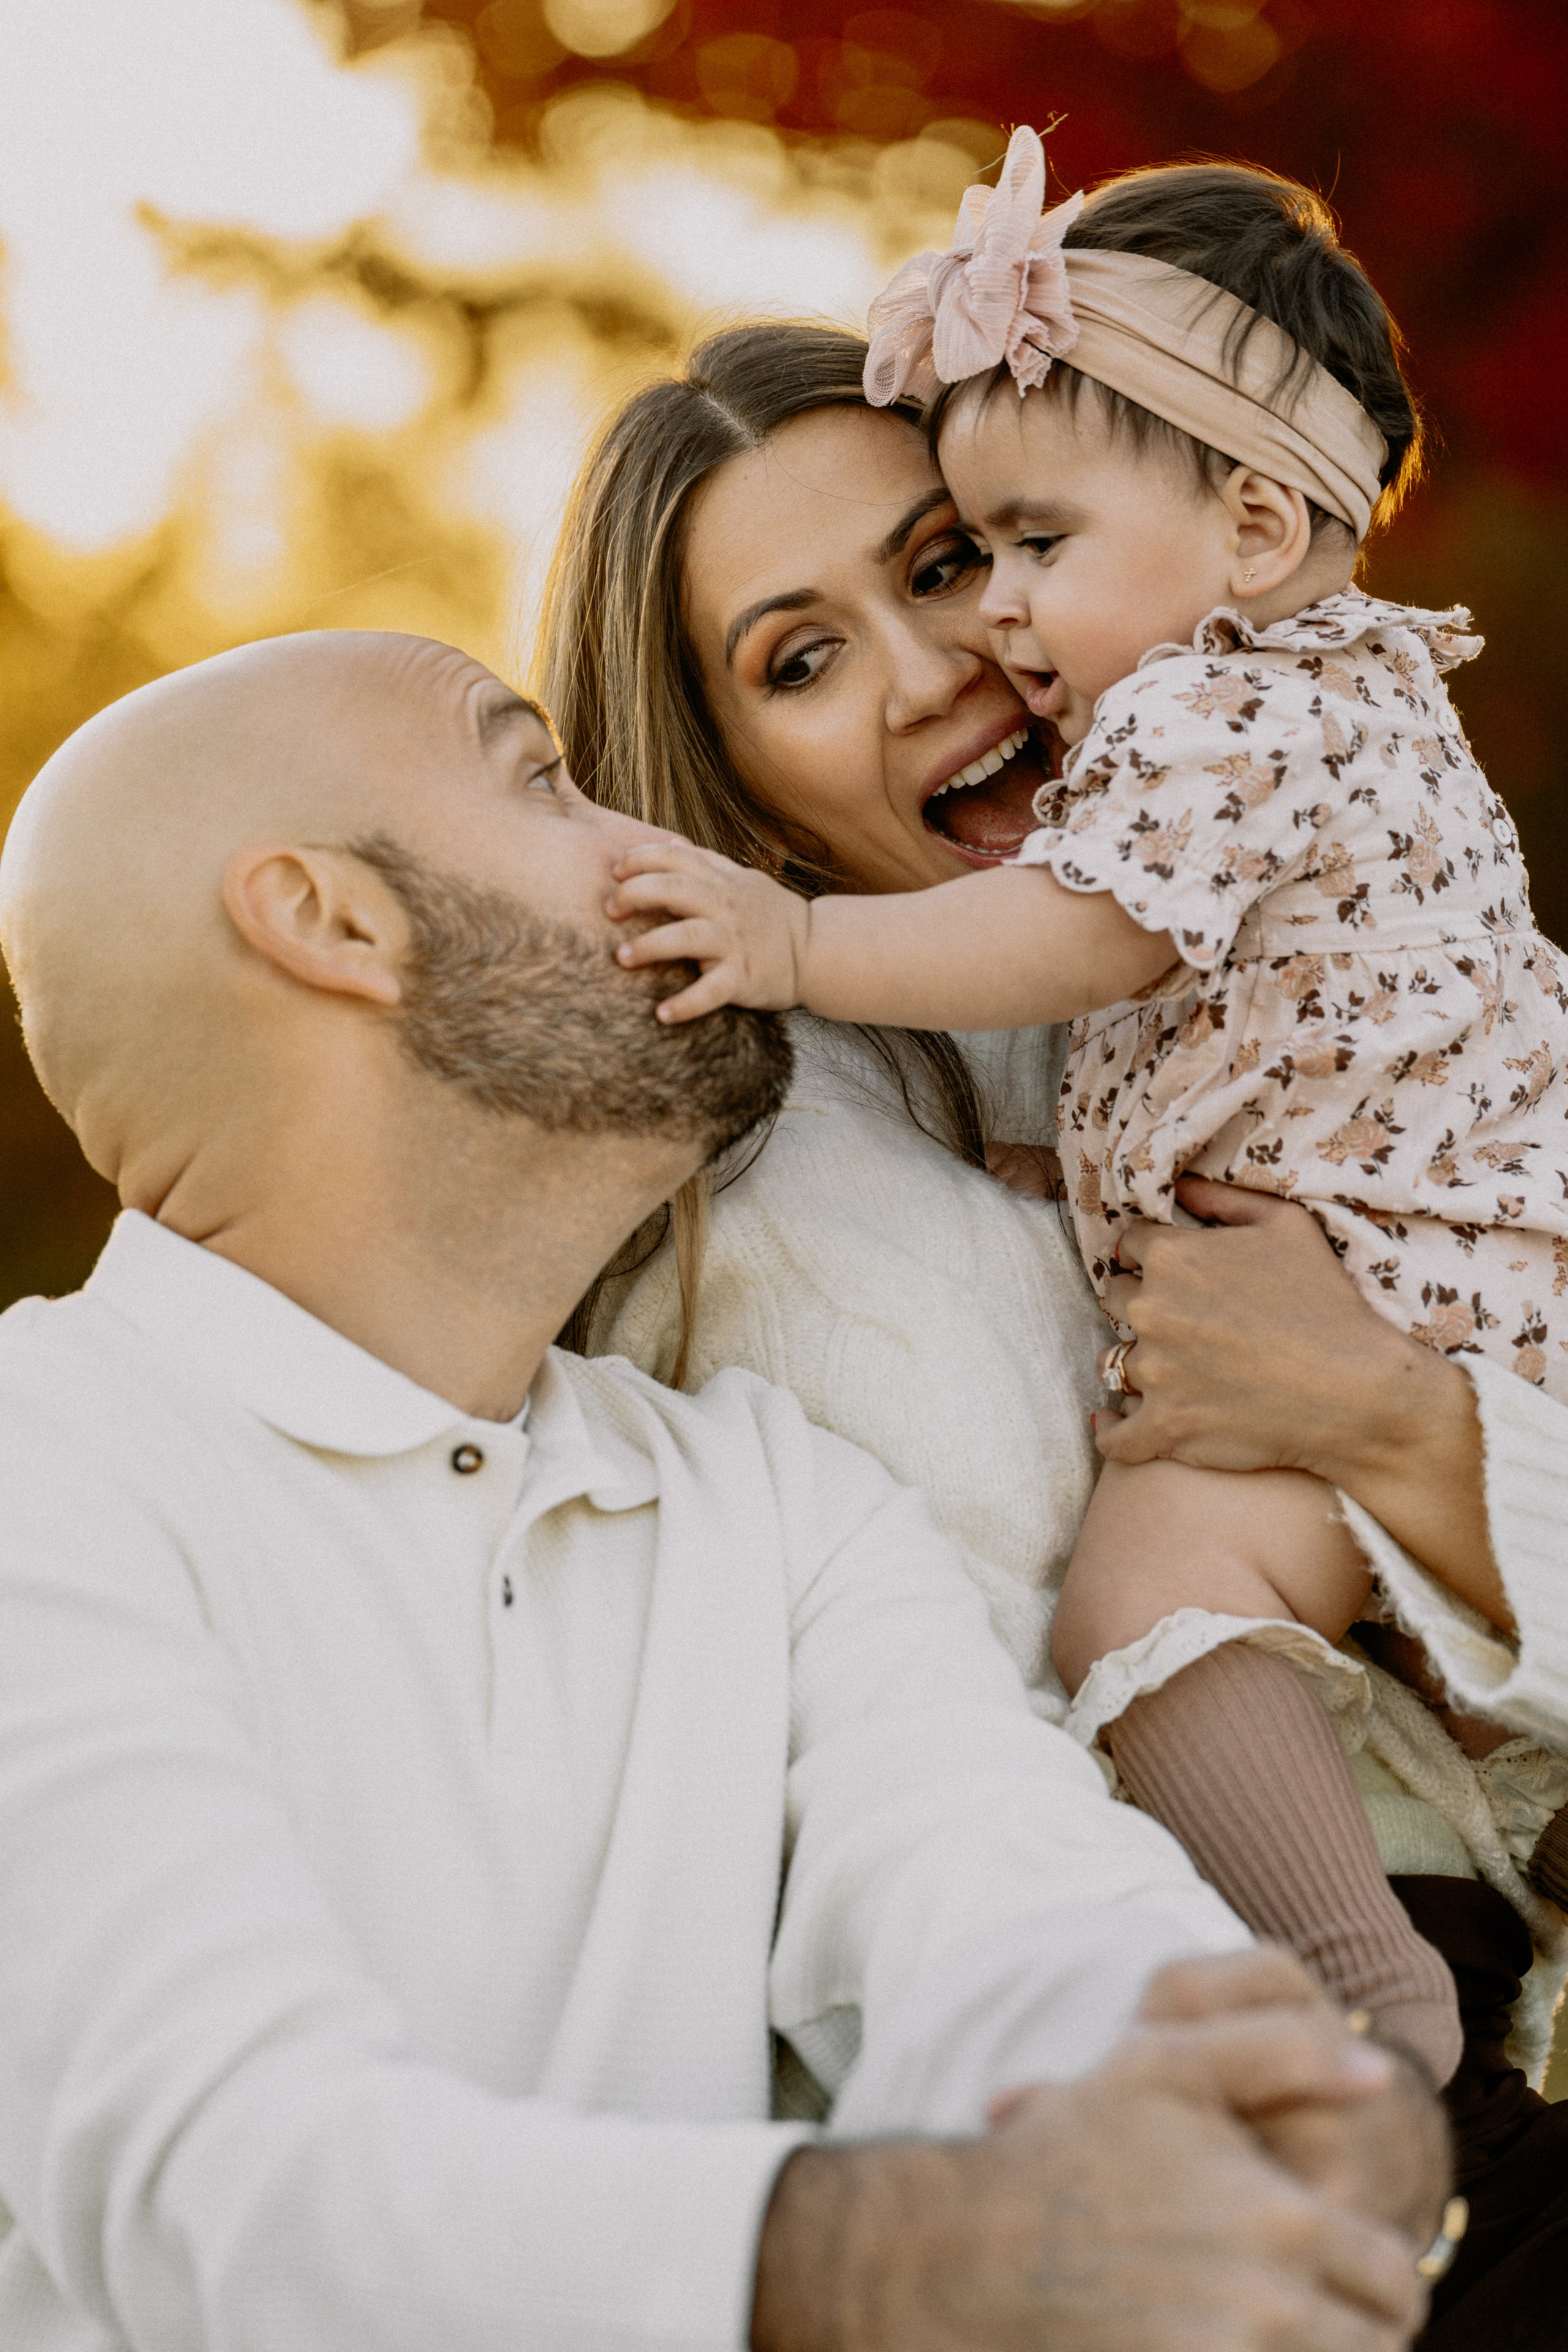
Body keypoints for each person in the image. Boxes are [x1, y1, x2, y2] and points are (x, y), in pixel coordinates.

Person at [0, 628, 1446, 2352]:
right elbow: (216, 2182)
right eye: (541, 777)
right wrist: (894, 2256)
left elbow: (1002, 1897)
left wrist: (1217, 2078)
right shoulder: (51, 1469)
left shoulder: (769, 1495)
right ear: (333, 922)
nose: (676, 863)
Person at [535, 311, 1567, 2345]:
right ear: (722, 779)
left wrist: (1398, 1427)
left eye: (947, 564)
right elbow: (944, 1793)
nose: (942, 667)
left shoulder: (1364, 954)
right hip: (1252, 2065)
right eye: (800, 658)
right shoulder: (764, 1227)